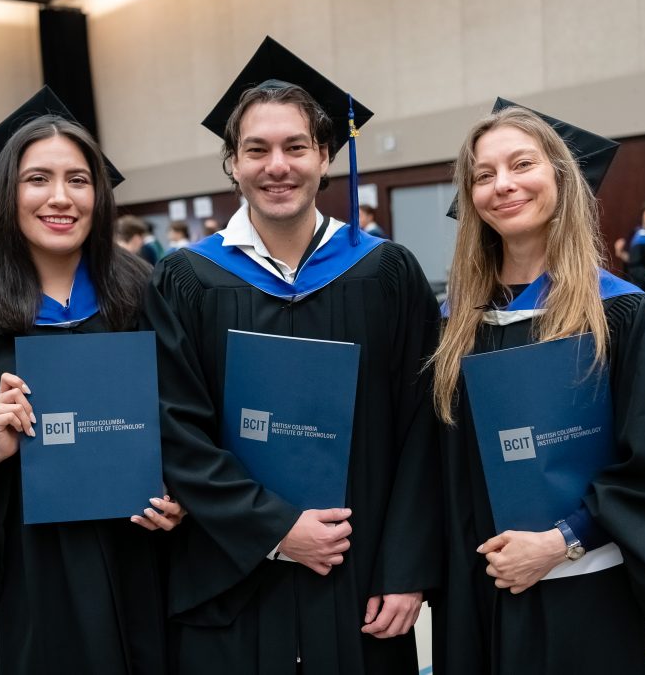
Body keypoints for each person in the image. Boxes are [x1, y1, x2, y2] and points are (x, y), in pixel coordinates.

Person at [144, 36, 441, 674]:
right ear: (232, 164)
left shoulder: (386, 273)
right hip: (233, 571)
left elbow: (423, 425)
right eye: (256, 150)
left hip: (362, 573)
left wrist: (407, 567)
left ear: (325, 156)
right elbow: (176, 428)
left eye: (295, 147)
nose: (276, 165)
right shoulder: (187, 280)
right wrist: (276, 528)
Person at [0, 89, 183, 675]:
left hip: (143, 552)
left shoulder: (146, 296)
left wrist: (182, 497)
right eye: (37, 179)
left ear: (99, 194)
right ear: (6, 195)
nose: (60, 197)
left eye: (78, 179)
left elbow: (189, 417)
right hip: (36, 569)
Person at [429, 103, 645, 674]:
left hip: (584, 582)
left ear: (561, 176)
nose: (502, 184)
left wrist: (561, 542)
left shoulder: (625, 315)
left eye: (521, 163)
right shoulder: (453, 324)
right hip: (476, 580)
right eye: (483, 175)